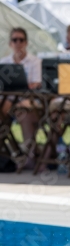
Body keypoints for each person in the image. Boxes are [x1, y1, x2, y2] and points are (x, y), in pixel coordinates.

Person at [0, 27, 42, 168]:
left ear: (26, 42)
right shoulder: (4, 62)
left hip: (27, 99)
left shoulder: (35, 61)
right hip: (8, 99)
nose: (18, 43)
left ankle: (29, 156)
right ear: (10, 43)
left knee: (22, 112)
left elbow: (36, 84)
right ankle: (8, 152)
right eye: (14, 40)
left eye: (21, 40)